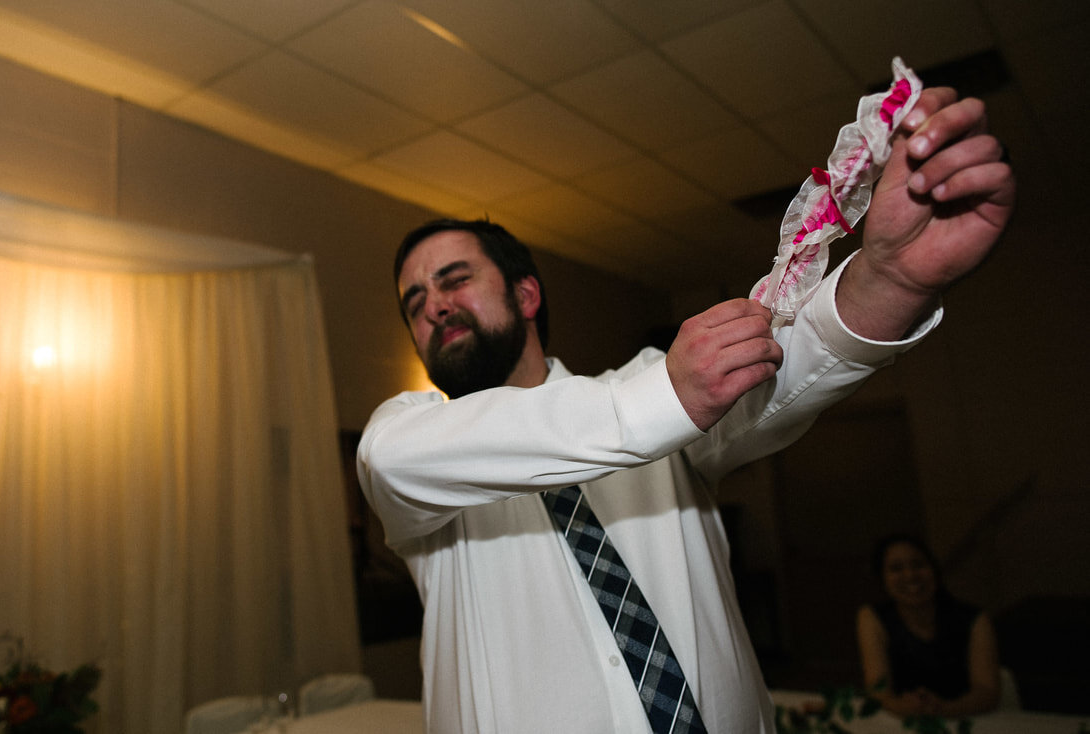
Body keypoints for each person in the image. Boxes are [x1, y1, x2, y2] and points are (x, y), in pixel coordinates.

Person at [356, 87, 1015, 734]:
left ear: (527, 294)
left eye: (454, 280)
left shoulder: (653, 386)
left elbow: (787, 363)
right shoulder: (418, 455)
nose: (433, 305)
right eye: (414, 302)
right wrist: (667, 397)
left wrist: (892, 279)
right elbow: (387, 458)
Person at [856, 534, 1001, 718]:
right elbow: (877, 689)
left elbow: (987, 692)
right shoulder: (872, 617)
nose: (910, 575)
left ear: (933, 569)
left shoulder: (974, 619)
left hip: (967, 719)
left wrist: (943, 709)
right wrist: (904, 707)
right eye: (896, 569)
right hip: (900, 723)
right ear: (882, 578)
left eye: (918, 565)